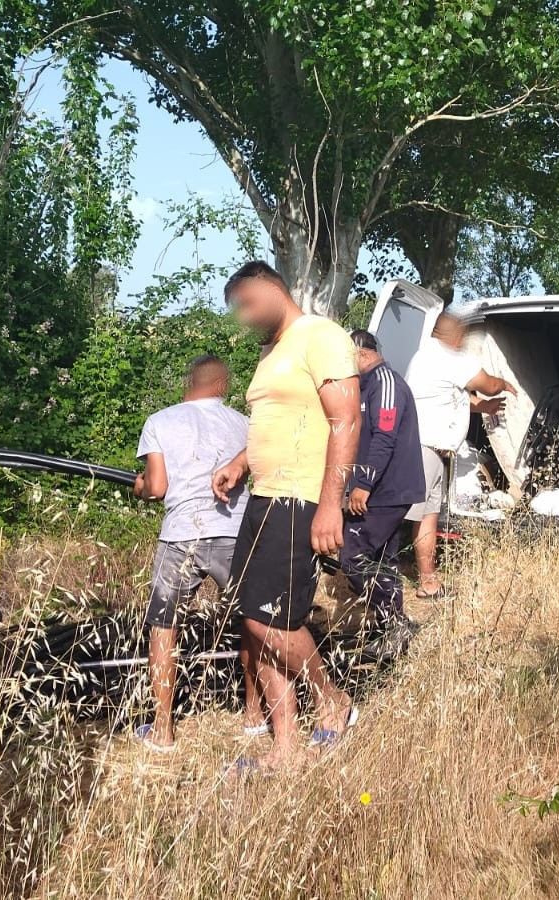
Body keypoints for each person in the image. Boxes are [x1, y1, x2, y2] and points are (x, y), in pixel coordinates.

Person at [211, 261, 360, 770]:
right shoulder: (271, 352)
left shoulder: (320, 334)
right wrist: (238, 463)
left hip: (300, 499)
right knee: (253, 620)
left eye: (248, 305)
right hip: (262, 497)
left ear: (272, 289)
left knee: (270, 618)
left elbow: (346, 419)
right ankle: (285, 746)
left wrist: (330, 504)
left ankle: (332, 699)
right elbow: (272, 421)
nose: (244, 317)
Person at [132, 354, 265, 752]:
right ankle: (254, 715)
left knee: (164, 625)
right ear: (223, 385)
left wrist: (140, 486)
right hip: (235, 533)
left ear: (188, 383)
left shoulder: (160, 421)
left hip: (181, 537)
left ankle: (163, 729)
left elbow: (157, 487)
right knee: (250, 622)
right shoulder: (245, 424)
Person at [402, 311, 515, 597]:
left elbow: (451, 397)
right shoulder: (449, 357)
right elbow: (488, 385)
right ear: (454, 335)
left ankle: (428, 582)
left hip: (422, 449)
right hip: (426, 450)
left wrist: (483, 407)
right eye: (463, 336)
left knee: (426, 516)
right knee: (411, 516)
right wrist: (504, 384)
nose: (465, 342)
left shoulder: (425, 356)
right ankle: (366, 568)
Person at [343, 329, 424, 656]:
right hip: (378, 489)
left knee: (352, 555)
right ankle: (389, 630)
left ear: (362, 353)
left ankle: (396, 624)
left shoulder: (386, 383)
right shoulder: (367, 386)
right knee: (382, 560)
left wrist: (363, 484)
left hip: (387, 490)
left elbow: (384, 438)